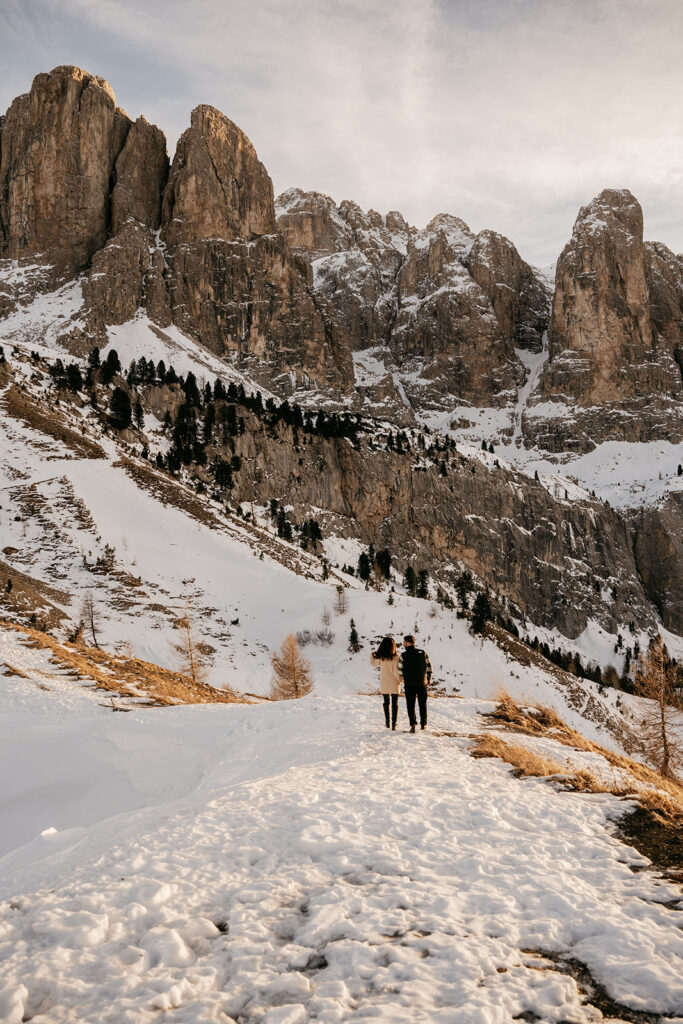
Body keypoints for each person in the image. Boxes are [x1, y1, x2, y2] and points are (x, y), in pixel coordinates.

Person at [399, 634, 432, 733]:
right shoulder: (422, 653)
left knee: (410, 704)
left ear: (407, 643)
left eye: (404, 642)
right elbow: (429, 666)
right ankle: (423, 724)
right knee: (422, 704)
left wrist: (404, 679)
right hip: (422, 683)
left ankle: (413, 725)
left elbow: (400, 670)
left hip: (409, 684)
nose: (403, 644)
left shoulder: (403, 655)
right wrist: (428, 678)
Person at [370, 636, 401, 730]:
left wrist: (372, 654)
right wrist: (400, 680)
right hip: (394, 682)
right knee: (395, 704)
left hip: (384, 682)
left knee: (386, 703)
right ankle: (394, 724)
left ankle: (387, 723)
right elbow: (396, 671)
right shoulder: (396, 656)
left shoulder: (381, 657)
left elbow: (374, 664)